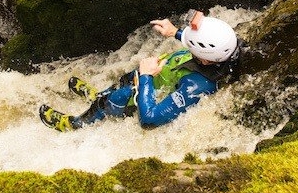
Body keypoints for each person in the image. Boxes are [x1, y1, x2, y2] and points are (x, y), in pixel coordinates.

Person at [39, 10, 245, 132]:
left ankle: (76, 124)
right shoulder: (223, 47)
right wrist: (175, 32)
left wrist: (146, 76)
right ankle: (98, 97)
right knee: (124, 81)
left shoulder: (195, 87)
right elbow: (206, 45)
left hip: (144, 93)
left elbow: (149, 120)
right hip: (158, 78)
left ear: (204, 56)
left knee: (117, 97)